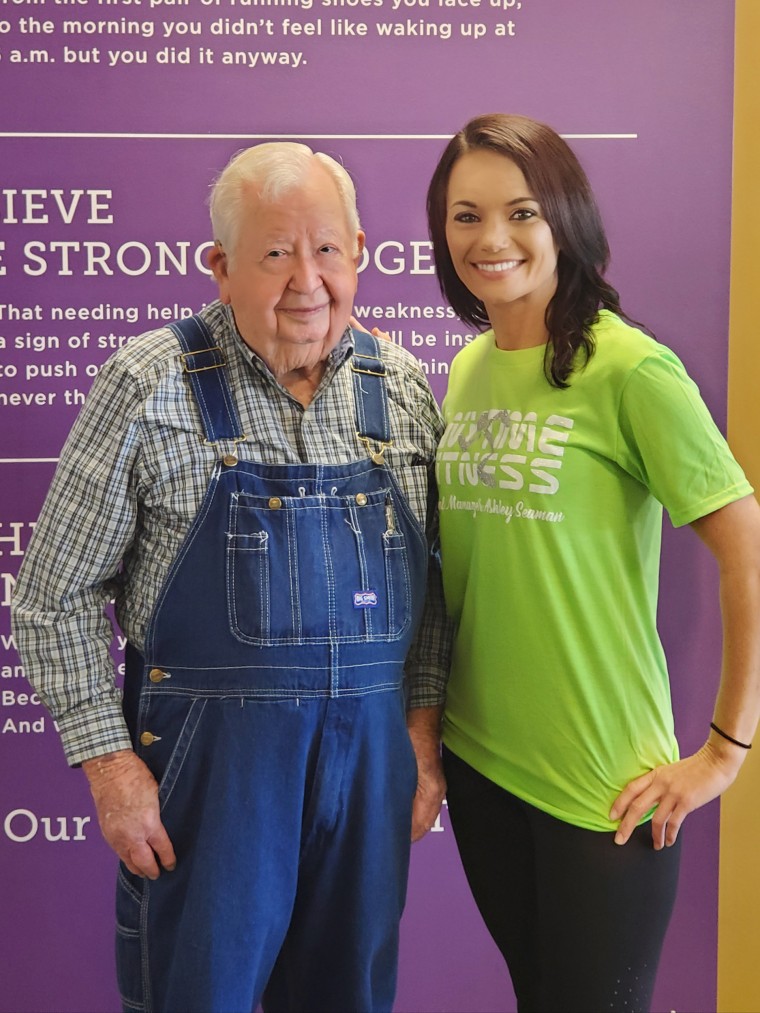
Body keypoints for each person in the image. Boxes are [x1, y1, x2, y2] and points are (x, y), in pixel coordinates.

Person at [12, 142, 450, 1013]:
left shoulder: (399, 388)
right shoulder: (148, 384)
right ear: (219, 266)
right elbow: (50, 598)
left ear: (360, 251)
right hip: (208, 784)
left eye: (326, 249)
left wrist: (423, 734)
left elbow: (431, 592)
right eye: (275, 253)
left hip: (367, 772)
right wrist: (110, 767)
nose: (306, 280)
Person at [426, 114, 760, 1011]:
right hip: (484, 764)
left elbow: (747, 551)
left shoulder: (629, 369)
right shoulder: (463, 371)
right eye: (465, 216)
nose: (491, 239)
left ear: (565, 219)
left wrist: (726, 750)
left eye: (521, 211)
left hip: (605, 786)